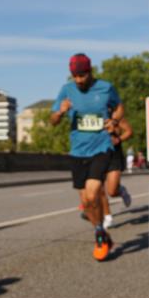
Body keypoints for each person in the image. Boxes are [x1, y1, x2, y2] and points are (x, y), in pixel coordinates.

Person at [51, 53, 124, 262]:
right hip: (77, 152)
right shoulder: (67, 90)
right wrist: (60, 113)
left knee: (93, 195)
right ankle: (101, 231)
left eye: (82, 76)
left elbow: (119, 107)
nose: (78, 80)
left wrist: (114, 120)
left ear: (90, 72)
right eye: (75, 76)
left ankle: (100, 237)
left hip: (101, 147)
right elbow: (53, 120)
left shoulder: (105, 88)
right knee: (86, 203)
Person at [101, 115, 133, 230]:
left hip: (113, 156)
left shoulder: (115, 116)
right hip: (97, 155)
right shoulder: (91, 115)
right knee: (99, 187)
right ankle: (107, 216)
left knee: (112, 191)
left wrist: (117, 136)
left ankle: (121, 191)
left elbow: (129, 131)